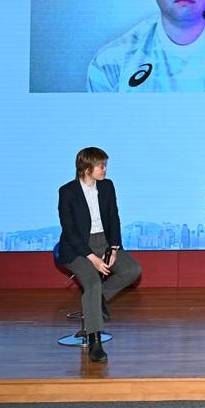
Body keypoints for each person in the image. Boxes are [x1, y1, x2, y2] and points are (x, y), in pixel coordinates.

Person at [56, 147, 141, 362]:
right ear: (86, 168)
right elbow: (70, 230)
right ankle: (95, 340)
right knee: (92, 283)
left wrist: (113, 248)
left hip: (103, 241)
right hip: (77, 249)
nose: (104, 169)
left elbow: (114, 217)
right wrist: (91, 258)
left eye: (105, 165)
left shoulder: (107, 186)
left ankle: (99, 300)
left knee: (132, 270)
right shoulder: (67, 192)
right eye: (100, 165)